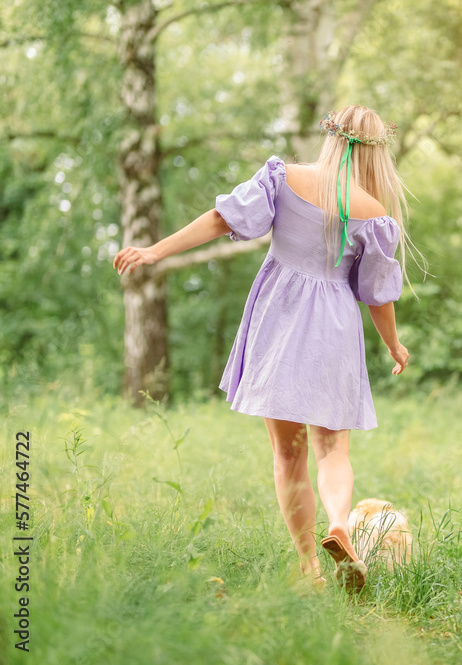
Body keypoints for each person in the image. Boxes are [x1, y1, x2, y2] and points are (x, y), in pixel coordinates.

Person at [113, 105, 414, 592]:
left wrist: (154, 251)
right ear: (377, 150)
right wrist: (395, 346)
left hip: (280, 319)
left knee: (288, 454)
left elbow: (219, 218)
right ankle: (340, 521)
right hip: (335, 325)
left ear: (331, 137)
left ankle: (309, 567)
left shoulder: (284, 176)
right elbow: (377, 294)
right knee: (333, 449)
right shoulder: (374, 212)